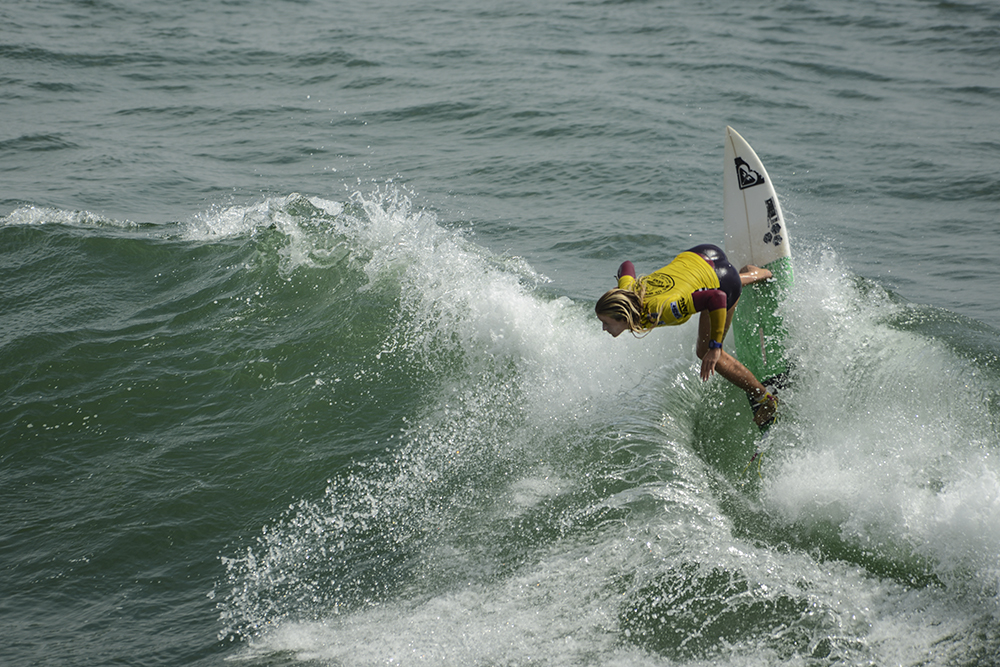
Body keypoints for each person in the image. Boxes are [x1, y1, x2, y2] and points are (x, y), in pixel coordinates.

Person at [595, 243, 778, 429]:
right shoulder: (628, 291)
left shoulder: (663, 309)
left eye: (607, 323)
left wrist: (715, 348)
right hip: (699, 255)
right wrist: (620, 291)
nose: (604, 328)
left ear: (624, 316)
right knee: (699, 284)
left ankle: (766, 399)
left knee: (706, 351)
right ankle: (758, 274)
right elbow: (626, 265)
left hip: (722, 283)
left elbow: (717, 297)